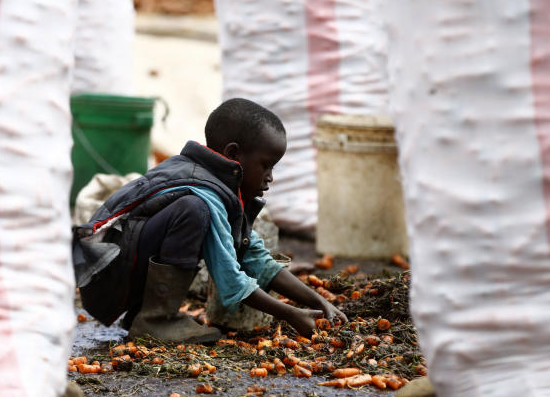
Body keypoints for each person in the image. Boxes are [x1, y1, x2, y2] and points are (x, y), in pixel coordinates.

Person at [73, 98, 346, 344]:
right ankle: (157, 321)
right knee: (193, 211)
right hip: (105, 282)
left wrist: (317, 301)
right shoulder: (205, 193)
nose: (270, 177)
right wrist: (291, 314)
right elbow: (231, 280)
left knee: (192, 211)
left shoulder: (215, 182)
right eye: (266, 165)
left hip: (110, 276)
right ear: (234, 154)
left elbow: (255, 257)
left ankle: (143, 316)